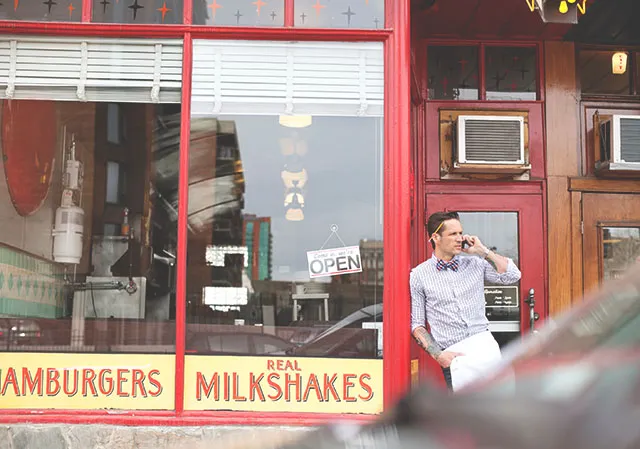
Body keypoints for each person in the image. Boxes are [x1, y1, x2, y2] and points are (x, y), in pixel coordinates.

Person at [410, 211, 521, 392]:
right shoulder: (419, 275)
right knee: (465, 415)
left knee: (499, 408)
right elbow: (417, 325)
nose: (459, 238)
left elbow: (512, 275)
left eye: (460, 233)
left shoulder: (476, 264)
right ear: (435, 237)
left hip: (485, 349)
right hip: (454, 357)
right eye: (453, 234)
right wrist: (439, 356)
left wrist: (483, 251)